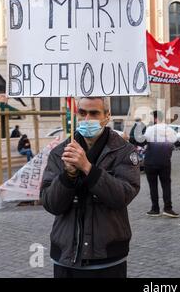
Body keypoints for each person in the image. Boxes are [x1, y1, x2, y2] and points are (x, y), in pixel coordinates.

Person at [40, 97, 140, 278]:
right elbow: (50, 203)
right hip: (66, 257)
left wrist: (87, 168)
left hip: (108, 258)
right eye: (82, 113)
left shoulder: (124, 151)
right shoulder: (60, 152)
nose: (86, 119)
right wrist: (68, 176)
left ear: (106, 116)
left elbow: (122, 196)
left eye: (93, 113)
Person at [143, 110, 179, 218]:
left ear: (155, 119)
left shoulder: (150, 129)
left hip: (150, 161)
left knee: (153, 186)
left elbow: (144, 140)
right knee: (166, 185)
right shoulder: (169, 129)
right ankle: (168, 208)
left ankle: (155, 209)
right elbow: (175, 141)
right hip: (164, 161)